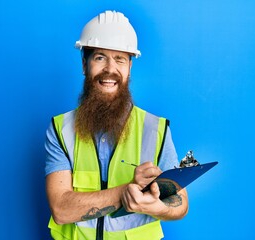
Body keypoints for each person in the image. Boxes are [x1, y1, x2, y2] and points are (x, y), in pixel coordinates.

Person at [44, 10, 188, 240]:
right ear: (84, 64)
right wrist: (127, 191)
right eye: (100, 57)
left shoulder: (156, 129)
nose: (110, 69)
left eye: (120, 58)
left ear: (130, 67)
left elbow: (179, 204)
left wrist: (154, 206)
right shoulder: (60, 129)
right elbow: (61, 210)